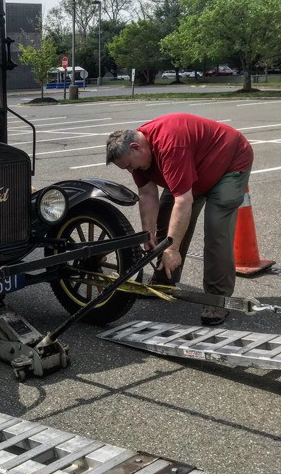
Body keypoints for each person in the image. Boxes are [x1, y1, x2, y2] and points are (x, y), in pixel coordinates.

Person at [106, 113, 253, 326]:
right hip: (194, 169)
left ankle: (217, 299)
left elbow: (184, 201)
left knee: (216, 232)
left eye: (129, 165)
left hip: (228, 163)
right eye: (126, 168)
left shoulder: (170, 145)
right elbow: (147, 194)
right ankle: (165, 280)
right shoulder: (138, 155)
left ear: (136, 147)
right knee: (166, 220)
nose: (130, 170)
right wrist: (148, 232)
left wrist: (172, 250)